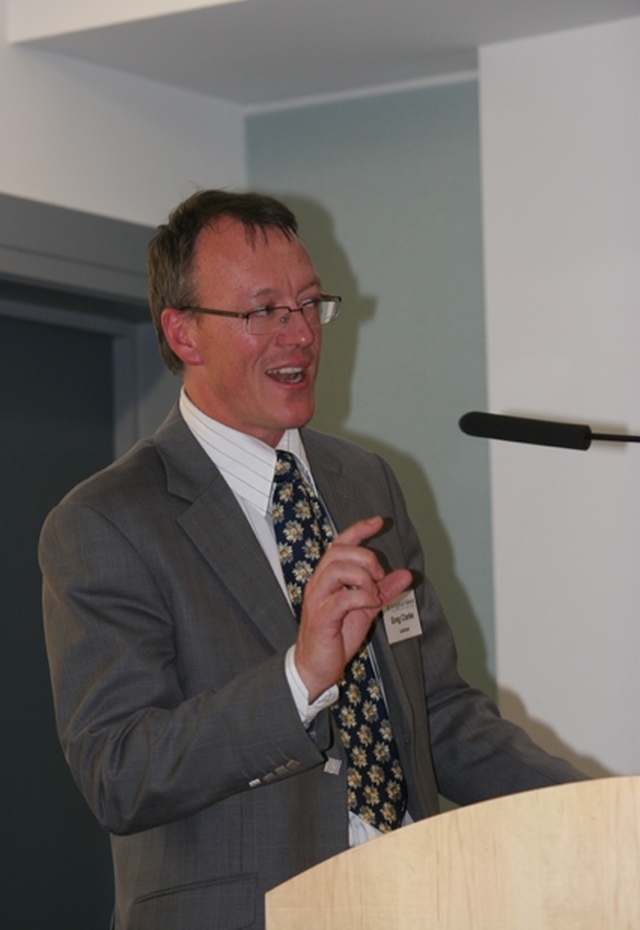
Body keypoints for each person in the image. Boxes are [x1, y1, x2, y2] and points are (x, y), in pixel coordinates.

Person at [39, 189, 586, 930]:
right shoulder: (108, 519)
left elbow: (438, 714)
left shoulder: (365, 482)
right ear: (184, 333)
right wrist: (301, 678)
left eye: (308, 303)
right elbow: (120, 772)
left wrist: (591, 808)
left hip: (412, 901)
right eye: (263, 311)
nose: (299, 334)